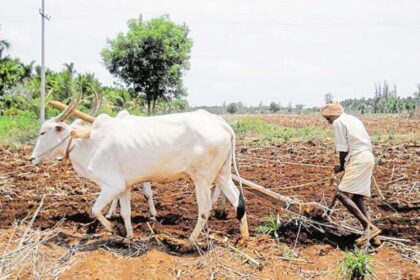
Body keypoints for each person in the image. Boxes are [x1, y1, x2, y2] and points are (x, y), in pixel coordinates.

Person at [321, 102, 381, 245]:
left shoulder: (338, 122)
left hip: (358, 159)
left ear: (331, 115)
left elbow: (343, 148)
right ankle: (373, 236)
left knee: (341, 194)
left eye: (327, 119)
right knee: (357, 197)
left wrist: (341, 165)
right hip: (367, 157)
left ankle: (369, 227)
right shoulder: (353, 119)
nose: (328, 122)